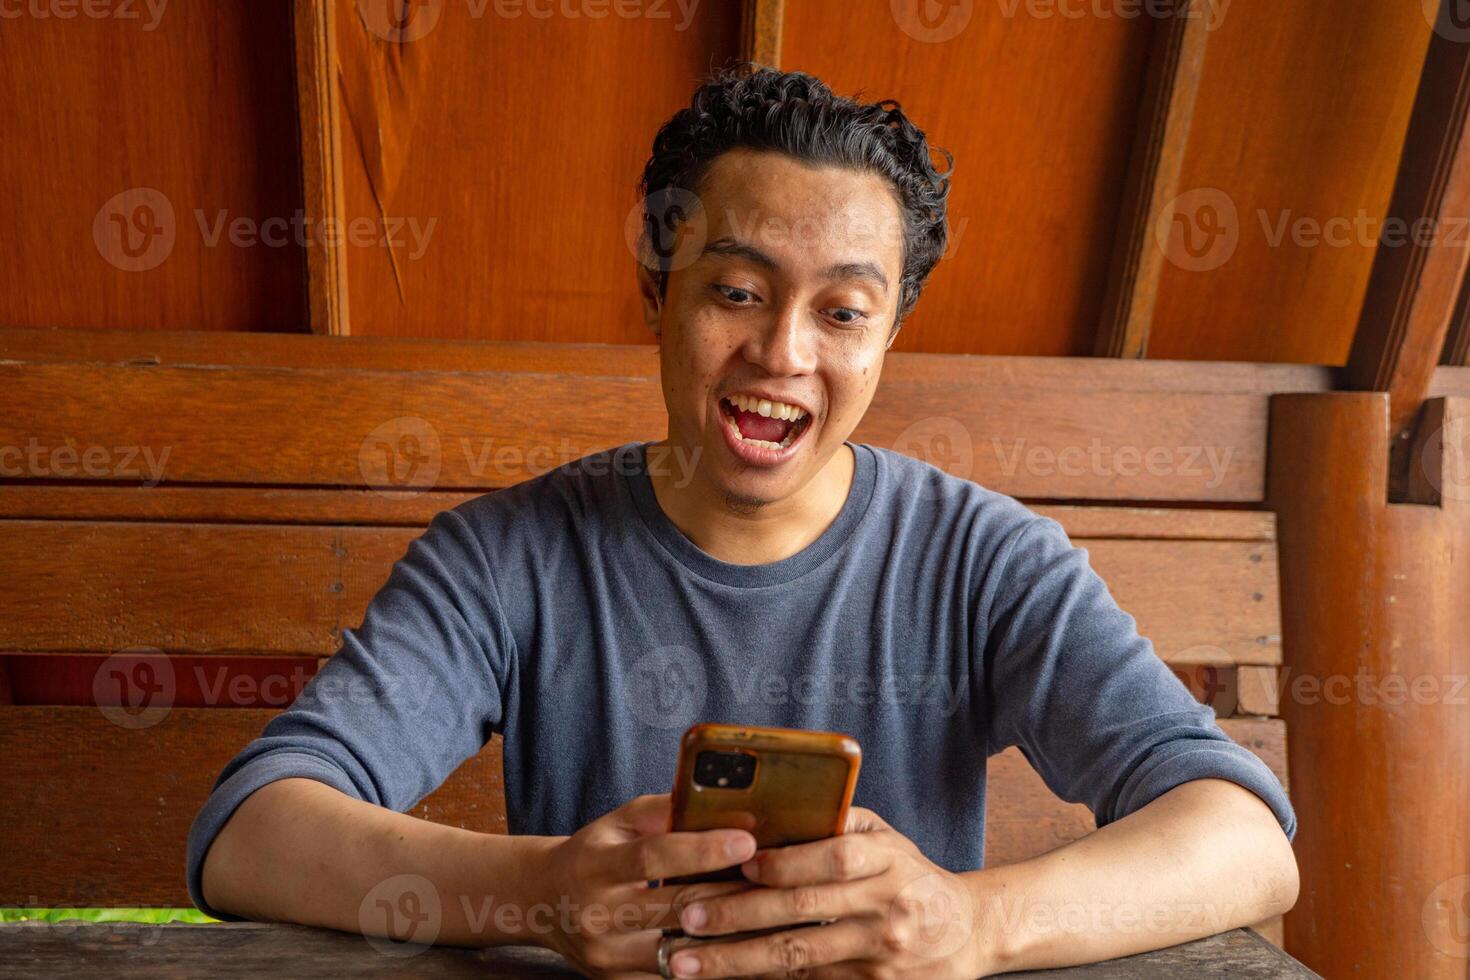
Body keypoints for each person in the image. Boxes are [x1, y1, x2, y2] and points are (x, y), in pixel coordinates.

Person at [188, 65, 1297, 978]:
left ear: (888, 334)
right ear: (655, 288)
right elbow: (251, 830)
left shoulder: (985, 559)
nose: (782, 354)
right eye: (736, 290)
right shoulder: (506, 557)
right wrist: (540, 894)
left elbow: (1243, 838)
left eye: (843, 311)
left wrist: (971, 920)